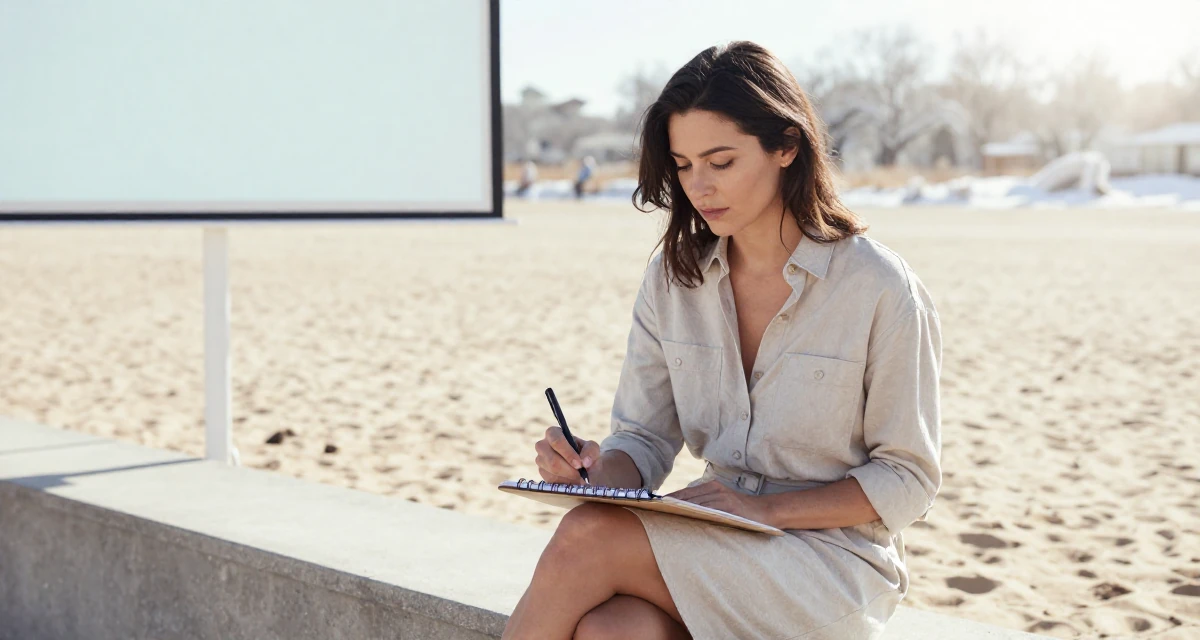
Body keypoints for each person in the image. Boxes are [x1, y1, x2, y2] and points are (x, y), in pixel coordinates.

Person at [502, 40, 941, 640]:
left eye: (721, 161)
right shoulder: (672, 278)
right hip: (712, 532)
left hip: (832, 563)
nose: (698, 186)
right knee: (614, 630)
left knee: (587, 536)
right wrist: (594, 472)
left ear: (786, 145)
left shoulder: (879, 288)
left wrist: (765, 510)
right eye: (683, 165)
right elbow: (644, 440)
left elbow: (908, 478)